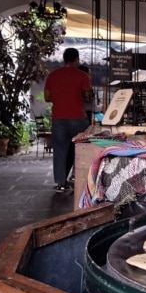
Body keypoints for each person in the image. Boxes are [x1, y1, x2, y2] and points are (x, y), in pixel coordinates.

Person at [44, 48, 92, 192]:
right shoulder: (83, 76)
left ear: (64, 59)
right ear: (76, 59)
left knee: (59, 150)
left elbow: (47, 97)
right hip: (78, 118)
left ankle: (60, 183)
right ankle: (79, 176)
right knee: (80, 148)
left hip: (59, 118)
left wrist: (60, 97)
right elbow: (87, 97)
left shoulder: (53, 75)